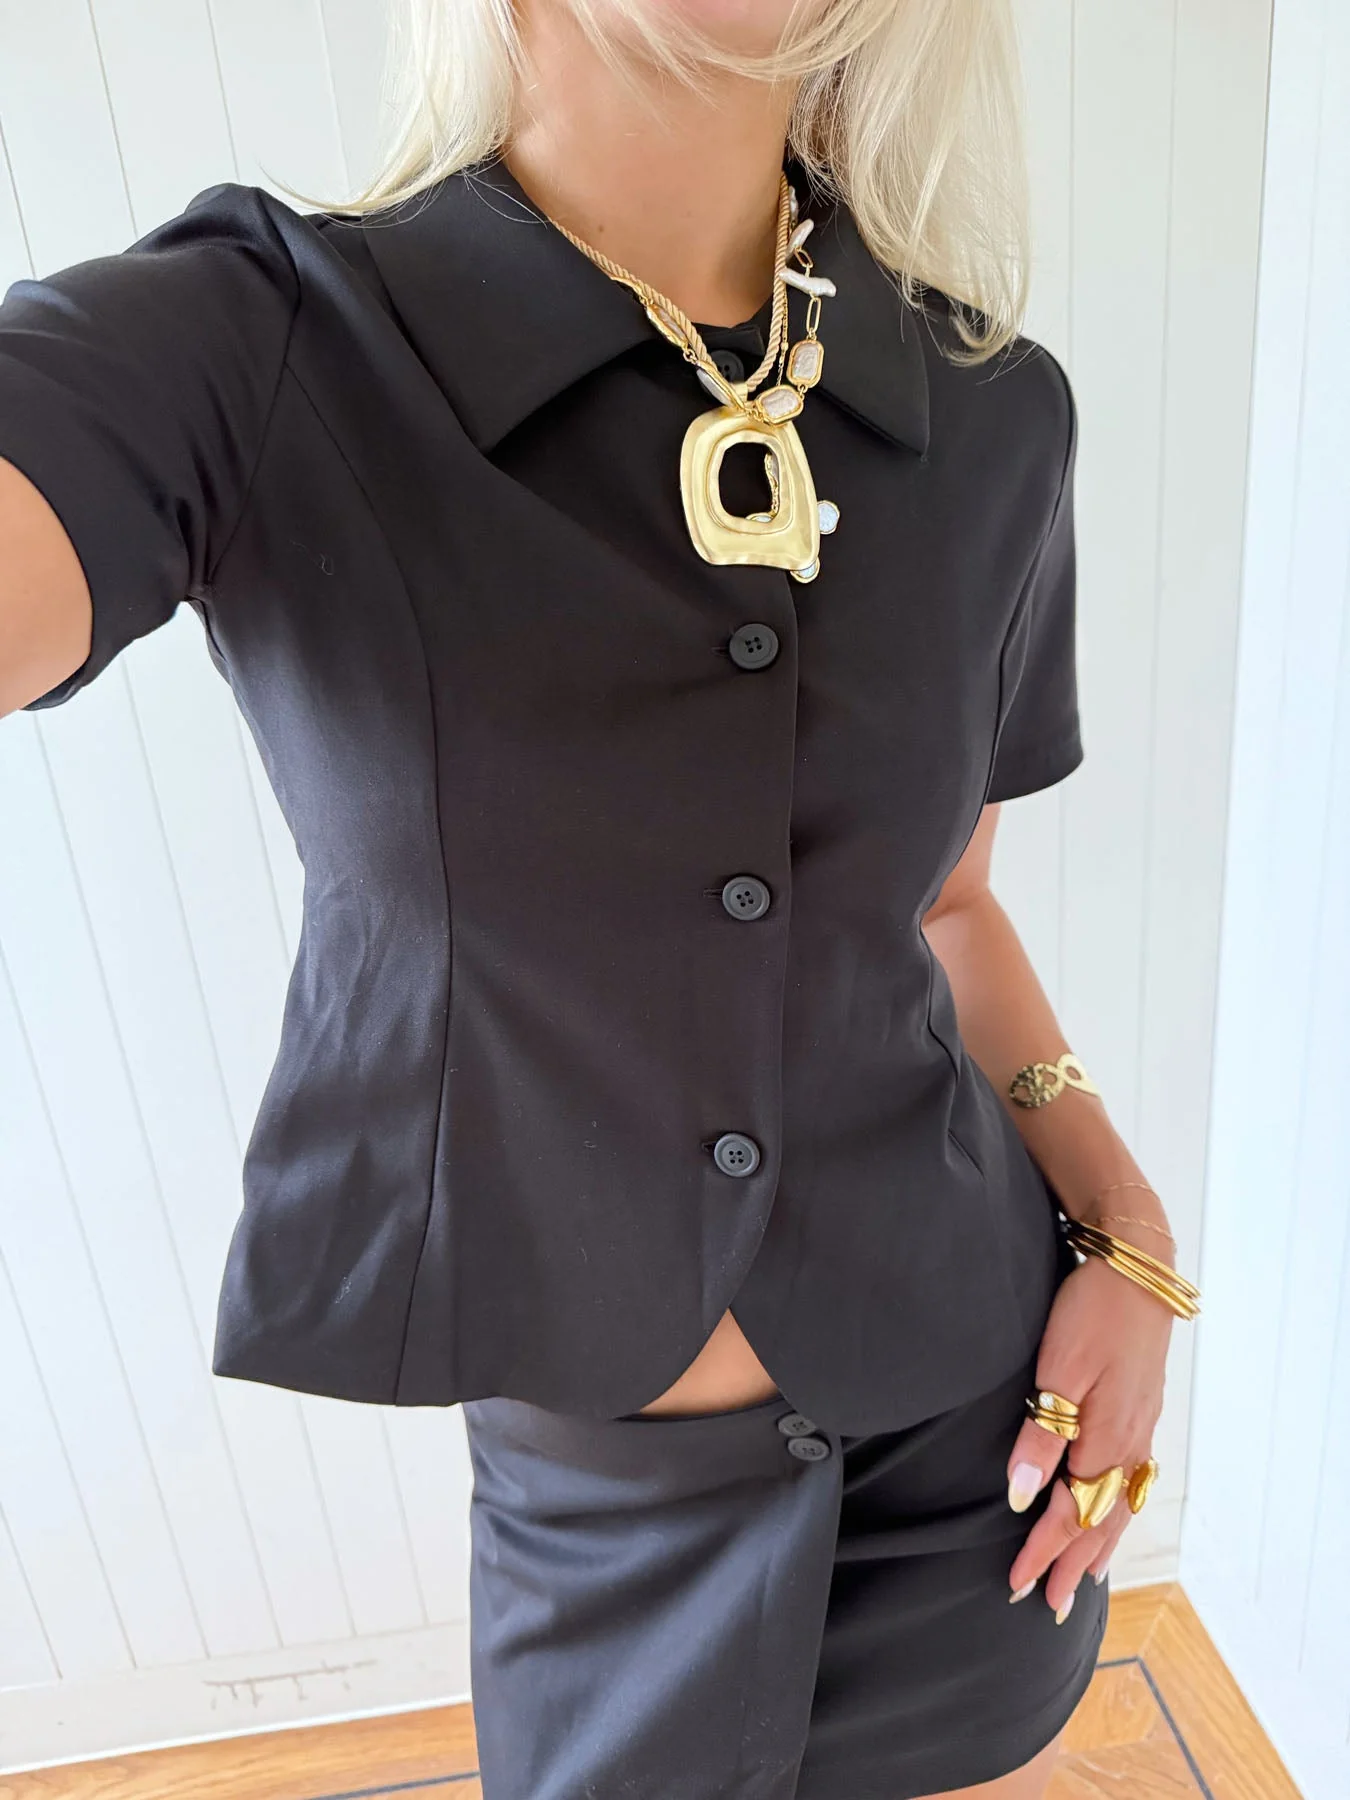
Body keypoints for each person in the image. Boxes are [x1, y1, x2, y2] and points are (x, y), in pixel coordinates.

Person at [0, 0, 1201, 1794]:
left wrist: (1122, 1232)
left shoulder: (992, 411)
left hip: (976, 1438)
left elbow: (947, 910)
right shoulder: (256, 340)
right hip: (604, 1505)